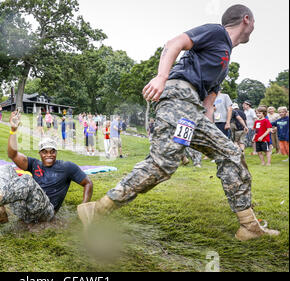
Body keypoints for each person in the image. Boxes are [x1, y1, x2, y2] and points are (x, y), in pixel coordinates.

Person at [77, 4, 279, 241]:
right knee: (163, 163)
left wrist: (209, 135)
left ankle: (248, 226)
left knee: (231, 154)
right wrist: (162, 77)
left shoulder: (225, 60)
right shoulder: (216, 32)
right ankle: (97, 210)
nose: (254, 27)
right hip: (179, 98)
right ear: (246, 19)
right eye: (254, 23)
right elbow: (174, 43)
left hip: (192, 111)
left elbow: (209, 103)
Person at [0, 110, 93, 225]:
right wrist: (13, 130)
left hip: (46, 212)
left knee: (27, 179)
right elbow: (12, 154)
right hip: (25, 209)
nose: (49, 155)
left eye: (52, 151)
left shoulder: (67, 167)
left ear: (56, 152)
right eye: (45, 151)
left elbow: (88, 183)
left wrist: (84, 206)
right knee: (6, 169)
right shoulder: (35, 164)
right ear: (40, 153)